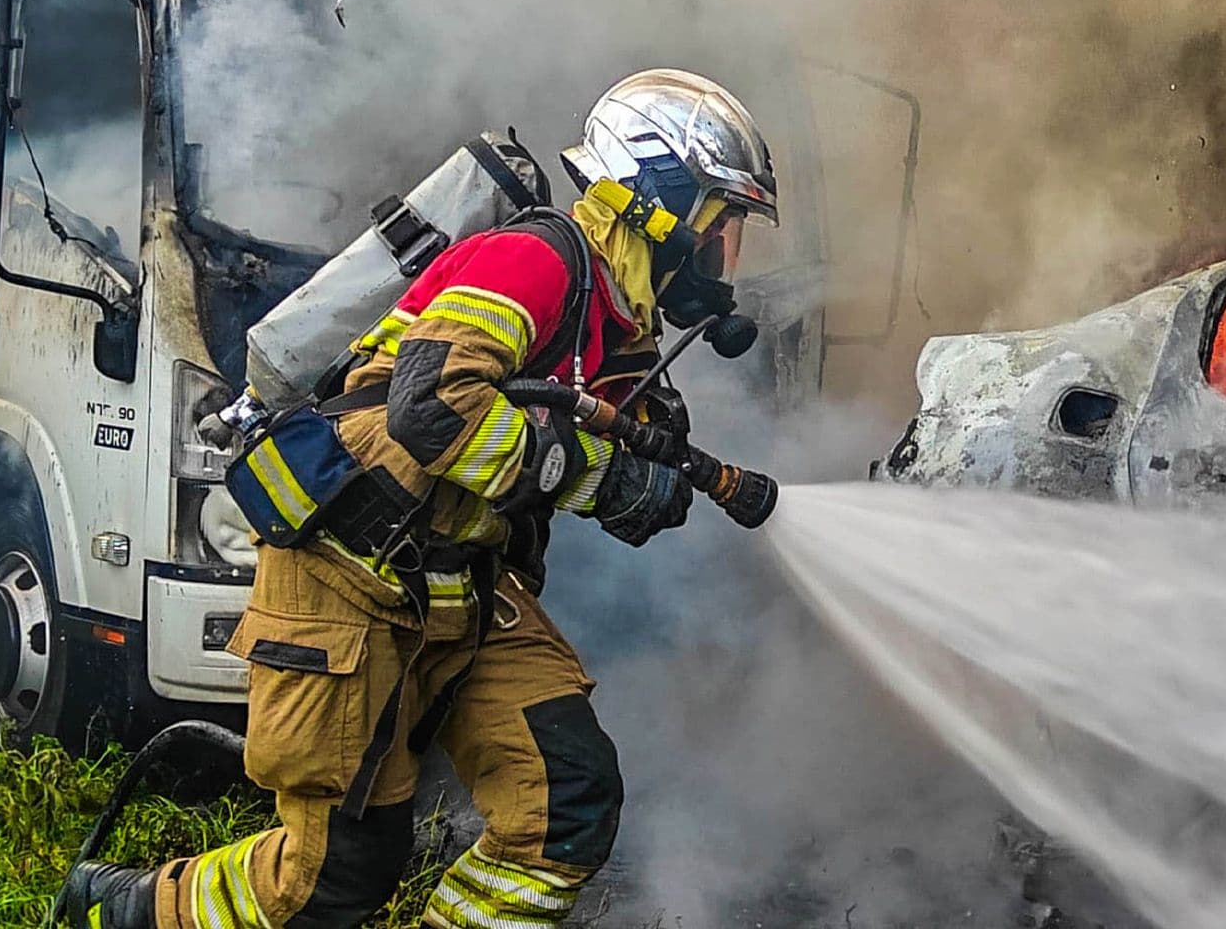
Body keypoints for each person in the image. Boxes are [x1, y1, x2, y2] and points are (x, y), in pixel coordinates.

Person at [64, 69, 779, 928]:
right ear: (658, 202)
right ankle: (125, 911)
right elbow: (433, 406)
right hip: (347, 578)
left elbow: (573, 453)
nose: (722, 253)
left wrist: (641, 484)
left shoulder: (616, 326)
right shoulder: (533, 261)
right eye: (721, 223)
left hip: (462, 585)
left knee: (567, 803)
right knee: (331, 882)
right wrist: (590, 473)